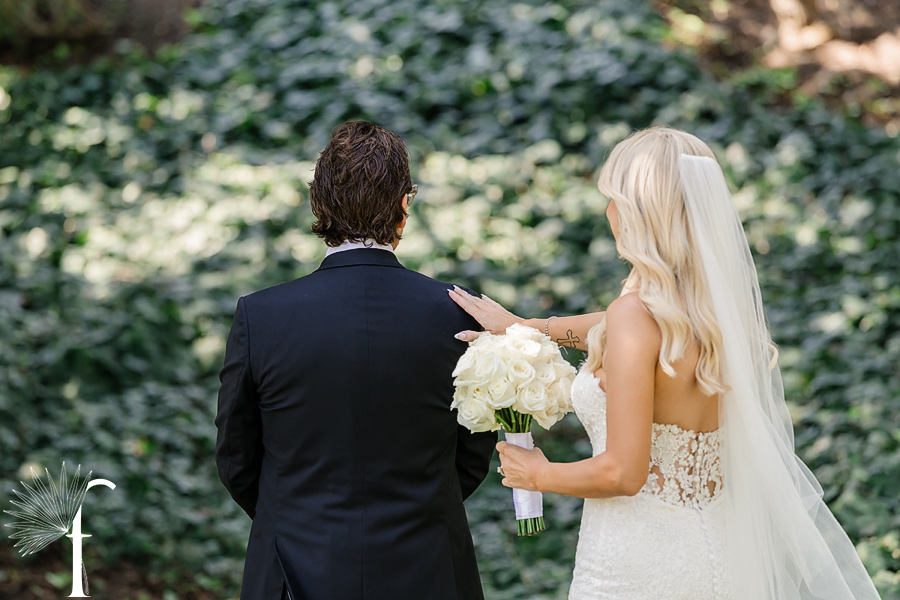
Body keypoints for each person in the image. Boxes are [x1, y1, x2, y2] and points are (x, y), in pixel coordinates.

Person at [450, 127, 880, 600]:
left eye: (612, 198)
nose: (608, 212)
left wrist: (540, 474)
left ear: (636, 211)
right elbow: (612, 326)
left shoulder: (637, 317)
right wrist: (531, 326)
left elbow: (622, 473)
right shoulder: (714, 313)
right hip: (719, 551)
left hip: (639, 566)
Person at [215, 121, 496, 600]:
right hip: (427, 569)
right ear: (405, 204)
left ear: (317, 203)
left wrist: (294, 515)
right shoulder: (463, 312)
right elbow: (472, 456)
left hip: (294, 573)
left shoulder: (261, 316)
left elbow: (237, 457)